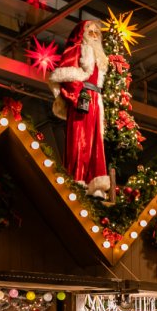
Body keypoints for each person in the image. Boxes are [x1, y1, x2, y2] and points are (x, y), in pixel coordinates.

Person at [48, 20, 111, 197]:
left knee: (95, 144)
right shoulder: (77, 49)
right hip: (83, 99)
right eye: (89, 31)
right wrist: (78, 94)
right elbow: (66, 74)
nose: (93, 34)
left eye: (96, 32)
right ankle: (78, 180)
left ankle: (95, 184)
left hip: (96, 101)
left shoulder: (100, 57)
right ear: (81, 34)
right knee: (79, 141)